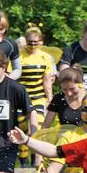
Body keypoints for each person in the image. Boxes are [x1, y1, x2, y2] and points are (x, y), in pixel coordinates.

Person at [17, 25, 57, 165]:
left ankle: (37, 161)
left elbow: (47, 80)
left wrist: (50, 99)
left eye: (36, 42)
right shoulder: (18, 57)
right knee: (21, 128)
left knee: (36, 128)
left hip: (38, 97)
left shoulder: (45, 57)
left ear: (40, 41)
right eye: (30, 42)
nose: (33, 45)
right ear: (25, 40)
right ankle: (23, 162)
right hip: (21, 98)